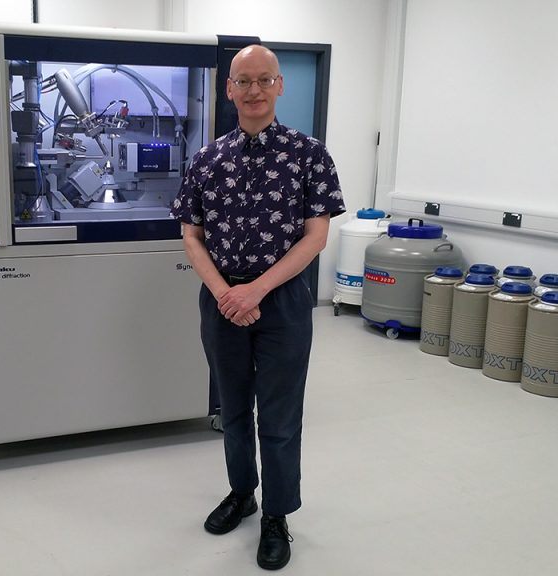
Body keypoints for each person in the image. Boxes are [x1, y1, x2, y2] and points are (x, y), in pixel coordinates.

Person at [170, 44, 345, 571]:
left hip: (283, 301)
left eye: (264, 80)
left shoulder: (308, 154)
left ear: (279, 86)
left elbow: (316, 236)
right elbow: (191, 235)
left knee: (280, 413)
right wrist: (227, 292)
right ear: (229, 89)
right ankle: (242, 492)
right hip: (221, 298)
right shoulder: (207, 159)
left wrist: (255, 291)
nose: (253, 90)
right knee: (232, 408)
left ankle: (276, 514)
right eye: (243, 81)